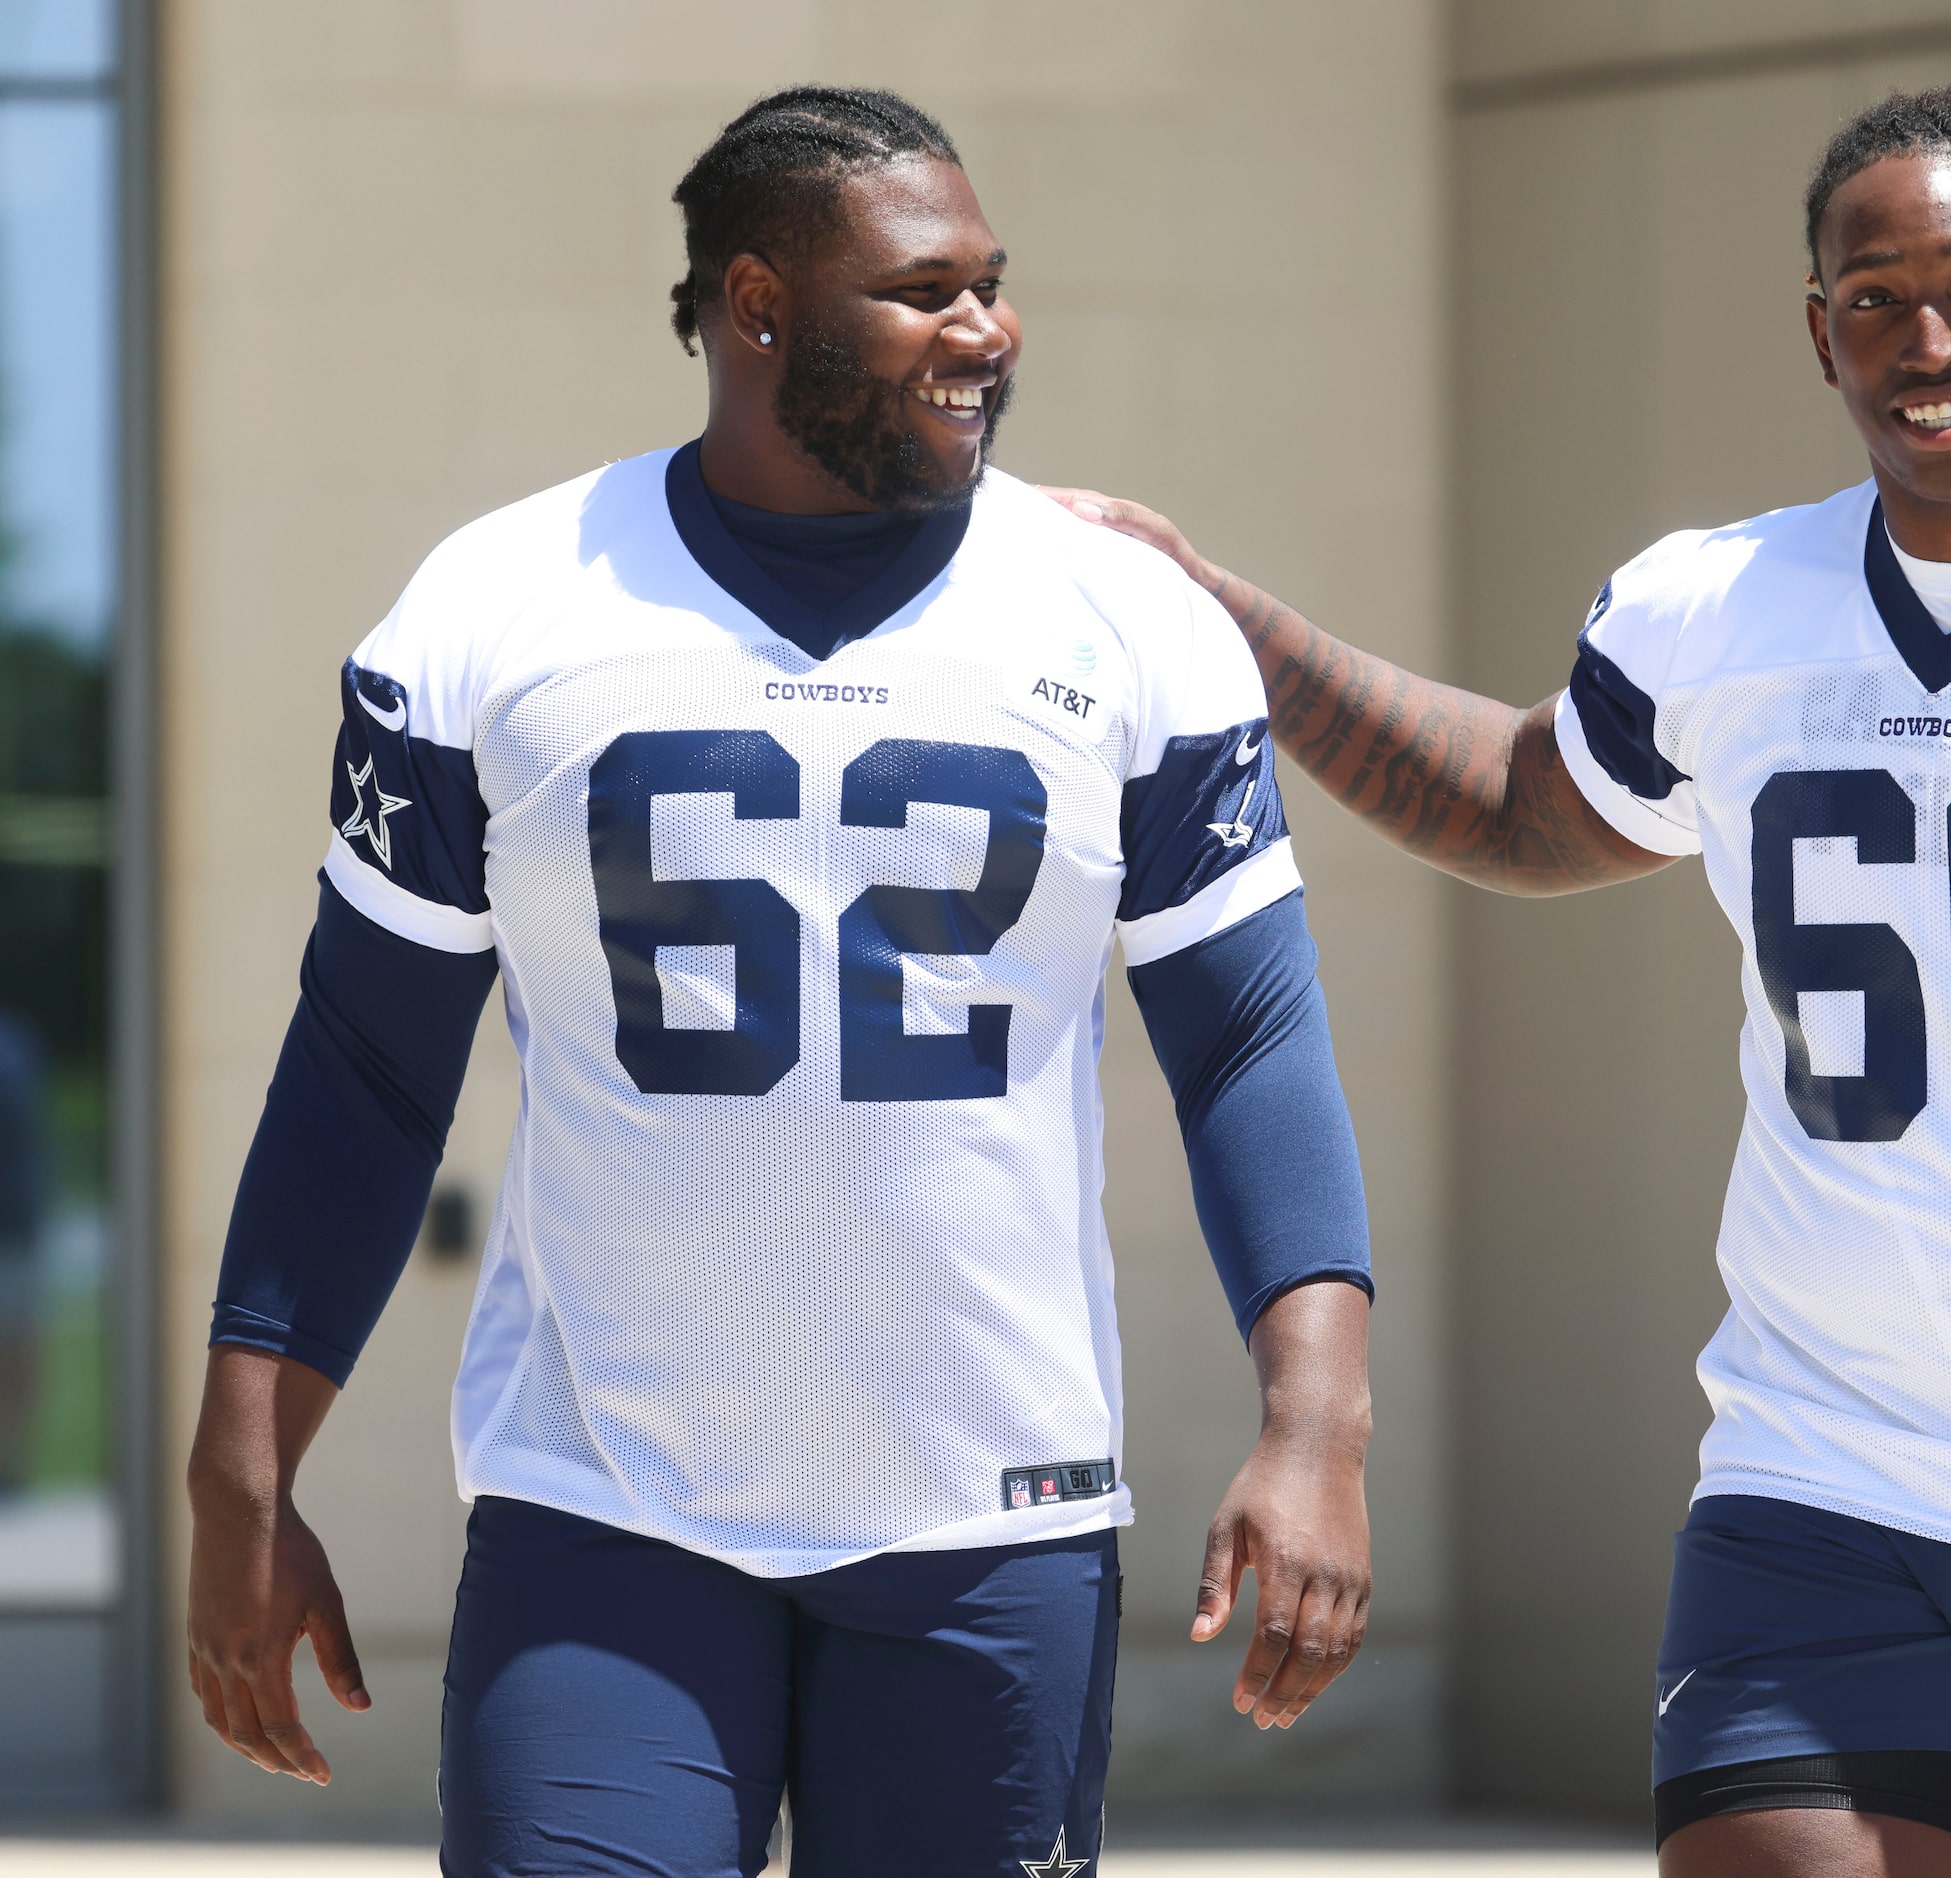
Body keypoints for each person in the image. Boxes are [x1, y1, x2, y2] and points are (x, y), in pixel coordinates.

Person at [1052, 82, 1951, 1878]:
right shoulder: (1721, 608)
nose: (1931, 341)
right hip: (1832, 1478)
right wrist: (1228, 615)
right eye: (1873, 297)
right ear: (1816, 328)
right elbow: (1530, 803)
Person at [185, 88, 1378, 1878]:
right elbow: (366, 1065)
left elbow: (1250, 1043)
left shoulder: (1130, 621)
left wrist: (1319, 1421)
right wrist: (241, 1470)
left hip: (993, 1507)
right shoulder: (493, 610)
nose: (988, 332)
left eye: (994, 284)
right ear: (757, 306)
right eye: (925, 291)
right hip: (609, 1504)